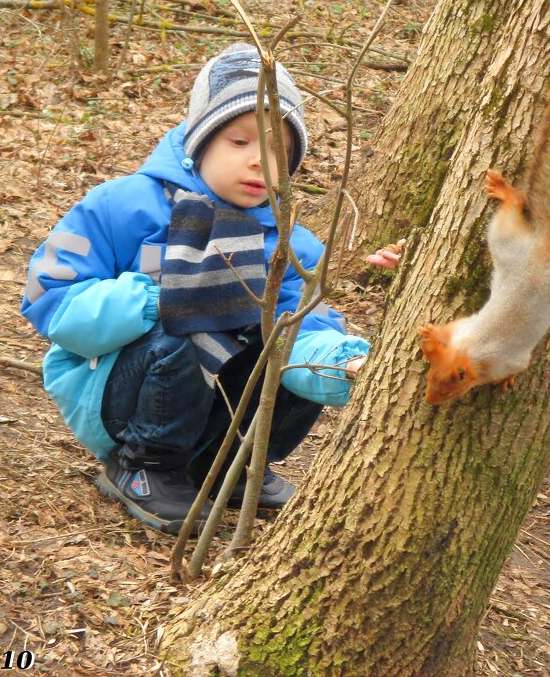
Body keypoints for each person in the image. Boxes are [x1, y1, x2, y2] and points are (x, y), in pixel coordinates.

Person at [21, 43, 381, 535]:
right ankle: (145, 466)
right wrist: (158, 298)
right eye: (240, 142)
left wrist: (340, 364)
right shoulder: (122, 206)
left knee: (284, 338)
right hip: (114, 393)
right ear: (200, 141)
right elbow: (49, 295)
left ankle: (227, 462)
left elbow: (304, 327)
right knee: (196, 316)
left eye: (279, 149)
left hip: (212, 409)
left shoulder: (290, 244)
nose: (261, 163)